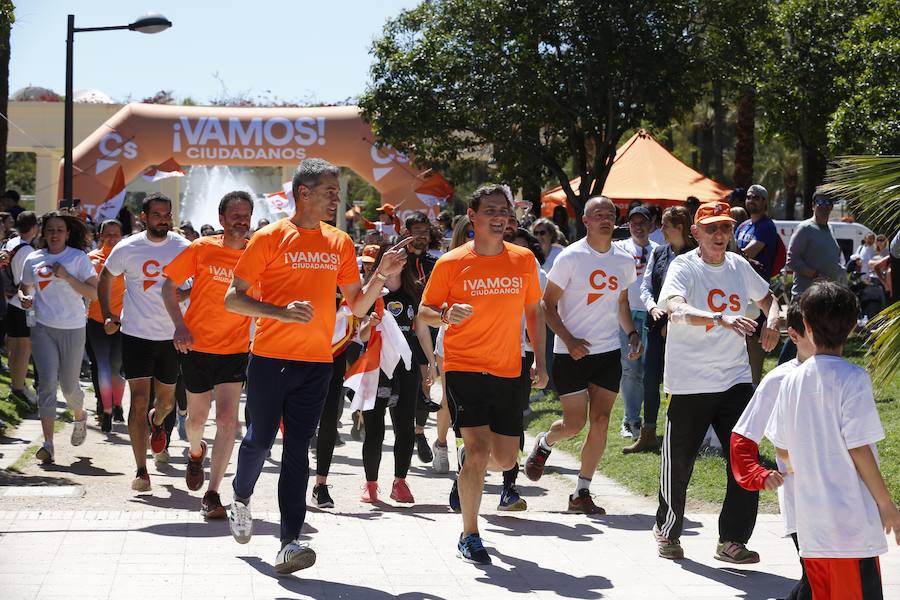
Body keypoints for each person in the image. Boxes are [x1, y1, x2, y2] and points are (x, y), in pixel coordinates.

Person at [222, 158, 408, 575]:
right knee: (259, 440)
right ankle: (240, 495)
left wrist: (381, 274)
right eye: (329, 191)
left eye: (336, 192)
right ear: (303, 193)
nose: (335, 199)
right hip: (270, 361)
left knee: (297, 453)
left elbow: (357, 304)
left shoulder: (340, 242)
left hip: (318, 363)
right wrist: (281, 313)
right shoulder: (270, 238)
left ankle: (289, 541)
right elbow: (233, 299)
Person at [419, 183, 547, 564]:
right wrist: (444, 314)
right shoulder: (452, 262)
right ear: (472, 217)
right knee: (478, 450)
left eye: (503, 211)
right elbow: (423, 312)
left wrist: (539, 359)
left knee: (505, 459)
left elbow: (534, 311)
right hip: (464, 367)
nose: (498, 216)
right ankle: (470, 534)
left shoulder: (523, 259)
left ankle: (467, 467)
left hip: (509, 367)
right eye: (489, 210)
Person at [652, 200, 780, 562]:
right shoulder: (684, 266)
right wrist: (718, 318)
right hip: (691, 382)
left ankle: (732, 540)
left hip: (735, 379)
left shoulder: (738, 265)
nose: (719, 234)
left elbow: (769, 298)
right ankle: (667, 530)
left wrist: (772, 320)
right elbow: (676, 308)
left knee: (745, 457)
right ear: (696, 233)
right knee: (679, 462)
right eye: (711, 228)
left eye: (725, 227)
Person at [766, 281, 900, 599]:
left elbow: (781, 447)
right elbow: (858, 446)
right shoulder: (853, 378)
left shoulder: (790, 380)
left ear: (807, 326)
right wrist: (886, 504)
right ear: (853, 327)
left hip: (812, 527)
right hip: (850, 528)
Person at [525, 196, 641, 514]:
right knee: (574, 425)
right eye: (598, 214)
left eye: (610, 214)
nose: (605, 219)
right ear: (585, 221)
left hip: (607, 352)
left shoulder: (624, 260)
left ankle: (582, 493)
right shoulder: (571, 257)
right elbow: (546, 305)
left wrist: (631, 334)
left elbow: (620, 303)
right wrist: (569, 339)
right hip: (569, 353)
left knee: (601, 420)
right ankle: (546, 442)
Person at [161, 191, 254, 518]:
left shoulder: (257, 255)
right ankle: (196, 453)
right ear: (222, 220)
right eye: (235, 216)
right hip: (196, 347)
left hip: (235, 349)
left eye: (246, 215)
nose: (241, 221)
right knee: (196, 422)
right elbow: (167, 286)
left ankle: (213, 493)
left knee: (228, 420)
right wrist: (180, 325)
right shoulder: (201, 249)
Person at [98, 193, 191, 491]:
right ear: (143, 217)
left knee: (165, 402)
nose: (163, 219)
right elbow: (105, 277)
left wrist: (186, 296)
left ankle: (158, 421)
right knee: (138, 400)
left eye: (167, 214)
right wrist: (109, 315)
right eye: (157, 214)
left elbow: (199, 285)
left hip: (170, 336)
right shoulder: (128, 247)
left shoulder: (184, 247)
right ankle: (141, 470)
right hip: (136, 333)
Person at [729, 301, 812, 600]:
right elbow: (743, 435)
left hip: (844, 503)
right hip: (803, 503)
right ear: (794, 334)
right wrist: (757, 473)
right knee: (815, 580)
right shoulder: (780, 379)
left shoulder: (847, 376)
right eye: (821, 330)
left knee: (820, 582)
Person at [358, 245, 435, 504]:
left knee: (404, 427)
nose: (398, 262)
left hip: (407, 367)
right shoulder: (371, 292)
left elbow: (422, 331)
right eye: (393, 257)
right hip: (376, 367)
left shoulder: (415, 292)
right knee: (374, 428)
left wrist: (431, 364)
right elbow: (361, 335)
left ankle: (400, 482)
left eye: (403, 259)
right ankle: (370, 484)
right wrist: (370, 325)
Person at [19, 212, 97, 464]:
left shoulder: (77, 258)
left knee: (69, 386)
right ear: (43, 232)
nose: (54, 234)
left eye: (59, 230)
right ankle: (48, 444)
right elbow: (24, 288)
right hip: (42, 327)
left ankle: (79, 414)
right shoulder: (33, 258)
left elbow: (94, 293)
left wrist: (67, 276)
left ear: (68, 233)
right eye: (50, 229)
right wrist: (24, 298)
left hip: (73, 327)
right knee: (47, 385)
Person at [624, 206, 695, 454]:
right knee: (650, 378)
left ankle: (682, 435)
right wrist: (653, 307)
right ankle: (648, 434)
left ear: (680, 228)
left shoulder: (696, 255)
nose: (660, 230)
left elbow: (694, 295)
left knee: (680, 383)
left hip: (685, 330)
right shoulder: (659, 252)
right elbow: (646, 285)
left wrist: (672, 321)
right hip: (655, 327)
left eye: (665, 225)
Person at [430, 216, 473, 474]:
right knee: (449, 398)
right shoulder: (448, 263)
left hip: (483, 339)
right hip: (451, 336)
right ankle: (442, 443)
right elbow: (432, 305)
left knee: (474, 399)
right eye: (468, 234)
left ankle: (468, 448)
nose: (474, 237)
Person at [781, 192, 843, 363]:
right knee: (798, 334)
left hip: (823, 297)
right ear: (813, 205)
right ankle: (780, 371)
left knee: (812, 339)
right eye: (819, 201)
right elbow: (791, 260)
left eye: (827, 201)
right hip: (804, 295)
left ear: (832, 206)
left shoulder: (829, 229)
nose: (823, 205)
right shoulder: (805, 228)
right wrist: (815, 275)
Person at [614, 205, 658, 439]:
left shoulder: (659, 251)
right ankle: (630, 419)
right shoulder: (619, 249)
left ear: (651, 225)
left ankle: (648, 421)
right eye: (633, 222)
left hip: (652, 315)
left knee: (649, 371)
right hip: (627, 313)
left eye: (643, 222)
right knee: (630, 368)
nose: (638, 227)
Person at [735, 184, 780, 385]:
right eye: (749, 197)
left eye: (757, 197)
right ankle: (742, 383)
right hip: (740, 289)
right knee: (741, 337)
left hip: (759, 289)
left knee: (755, 339)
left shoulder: (767, 226)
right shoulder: (743, 226)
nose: (751, 200)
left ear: (764, 202)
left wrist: (734, 255)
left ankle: (754, 385)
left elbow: (747, 254)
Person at [403, 211, 439, 463]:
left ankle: (419, 432)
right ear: (407, 233)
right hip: (401, 329)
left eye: (425, 232)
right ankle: (406, 432)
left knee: (426, 381)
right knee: (408, 384)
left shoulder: (434, 264)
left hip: (428, 329)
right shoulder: (397, 260)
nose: (421, 237)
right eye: (417, 231)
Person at [85, 219, 126, 432]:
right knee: (101, 364)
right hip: (96, 321)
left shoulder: (127, 258)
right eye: (108, 234)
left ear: (121, 236)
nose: (111, 238)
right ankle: (105, 407)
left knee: (116, 366)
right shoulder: (92, 259)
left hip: (121, 321)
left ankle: (117, 403)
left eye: (115, 234)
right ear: (101, 236)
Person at [3, 211, 39, 409]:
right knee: (24, 348)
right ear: (34, 227)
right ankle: (18, 388)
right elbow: (27, 281)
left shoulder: (11, 243)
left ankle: (17, 384)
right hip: (24, 303)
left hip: (10, 302)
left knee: (14, 347)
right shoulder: (29, 251)